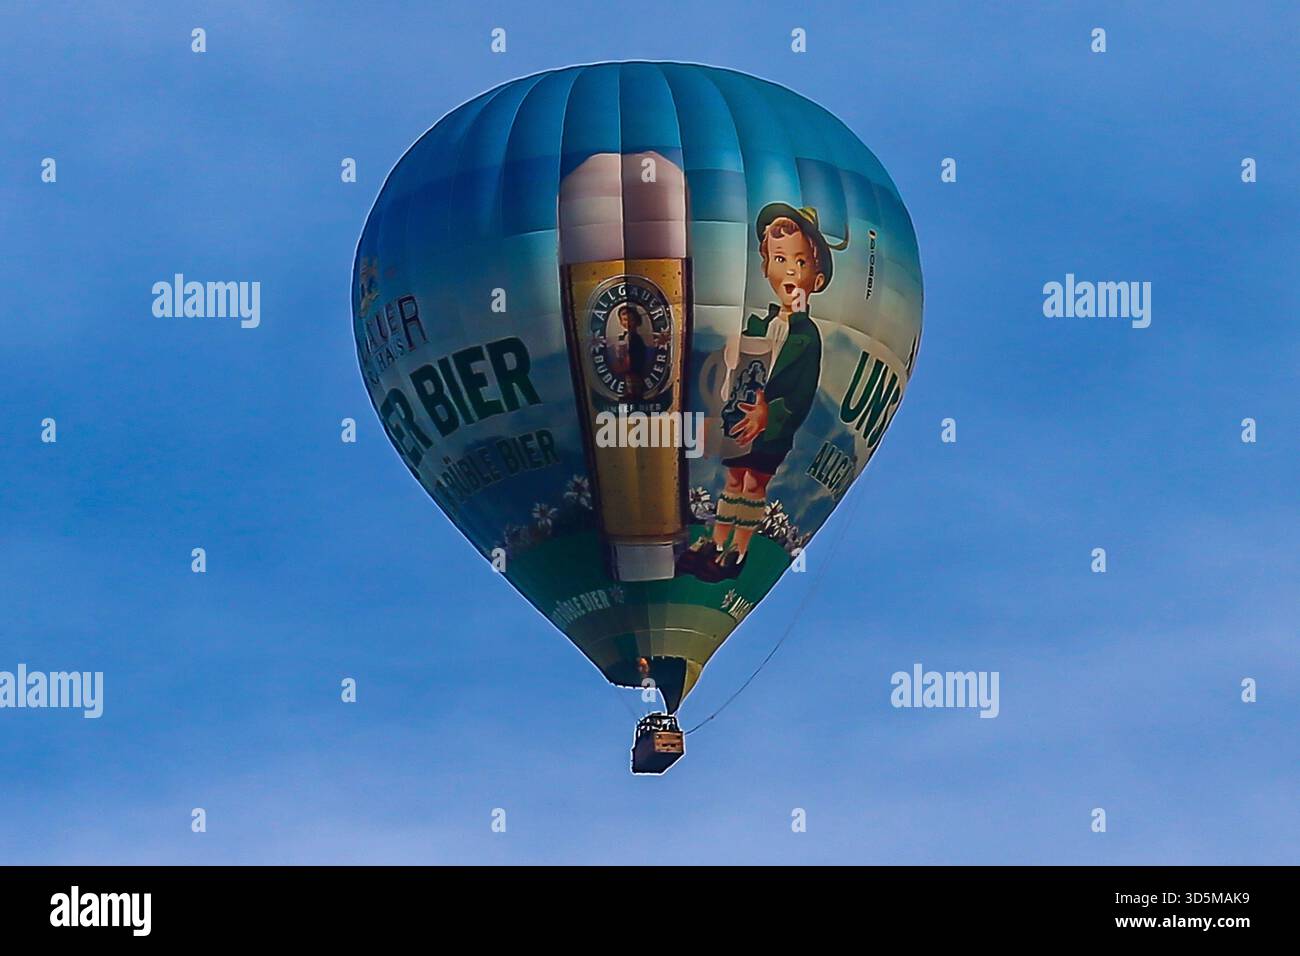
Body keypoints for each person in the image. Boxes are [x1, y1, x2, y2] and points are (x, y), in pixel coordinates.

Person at [681, 203, 847, 580]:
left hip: (771, 429)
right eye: (780, 259)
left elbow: (802, 393)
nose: (790, 271)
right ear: (765, 267)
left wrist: (770, 414)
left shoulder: (807, 338)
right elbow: (736, 371)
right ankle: (715, 540)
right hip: (739, 420)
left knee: (755, 483)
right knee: (733, 479)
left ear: (817, 279)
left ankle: (738, 551)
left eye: (801, 263)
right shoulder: (757, 324)